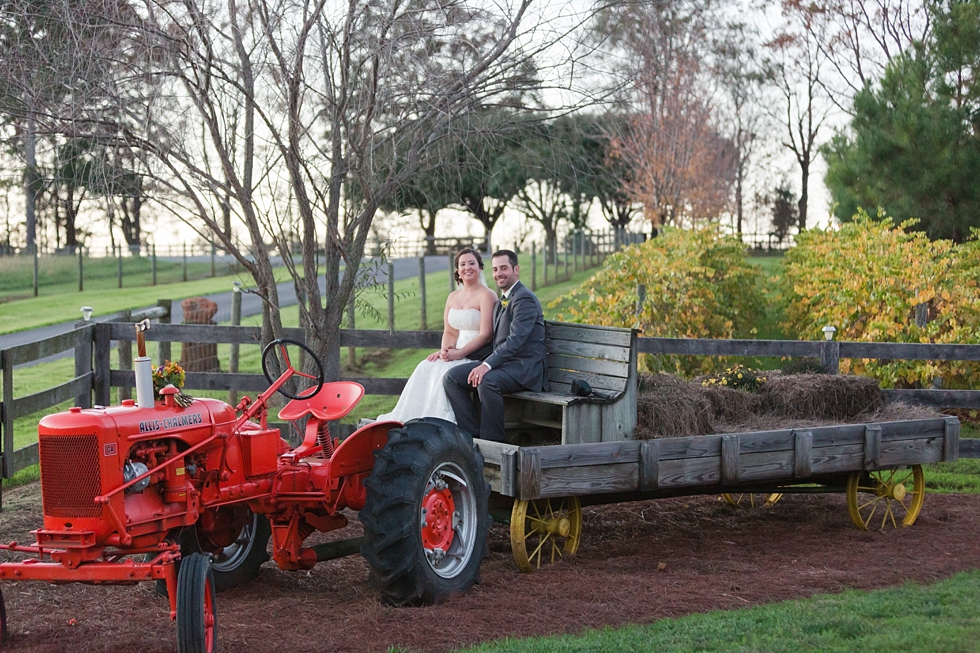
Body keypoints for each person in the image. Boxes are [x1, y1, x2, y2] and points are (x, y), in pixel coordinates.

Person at [376, 248, 498, 423]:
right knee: (426, 366)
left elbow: (486, 335)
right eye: (462, 264)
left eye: (472, 263)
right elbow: (450, 332)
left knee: (445, 372)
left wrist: (459, 353)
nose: (467, 267)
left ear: (480, 267)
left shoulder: (487, 295)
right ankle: (413, 420)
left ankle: (440, 423)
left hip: (476, 353)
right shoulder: (452, 297)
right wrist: (444, 352)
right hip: (455, 351)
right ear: (457, 270)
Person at [444, 249, 548, 442]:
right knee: (452, 378)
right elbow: (496, 340)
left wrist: (486, 365)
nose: (499, 273)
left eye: (504, 268)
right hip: (505, 364)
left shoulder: (524, 298)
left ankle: (493, 443)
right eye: (495, 269)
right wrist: (470, 357)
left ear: (515, 269)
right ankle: (471, 436)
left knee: (486, 380)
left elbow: (515, 340)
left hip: (524, 368)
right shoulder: (505, 298)